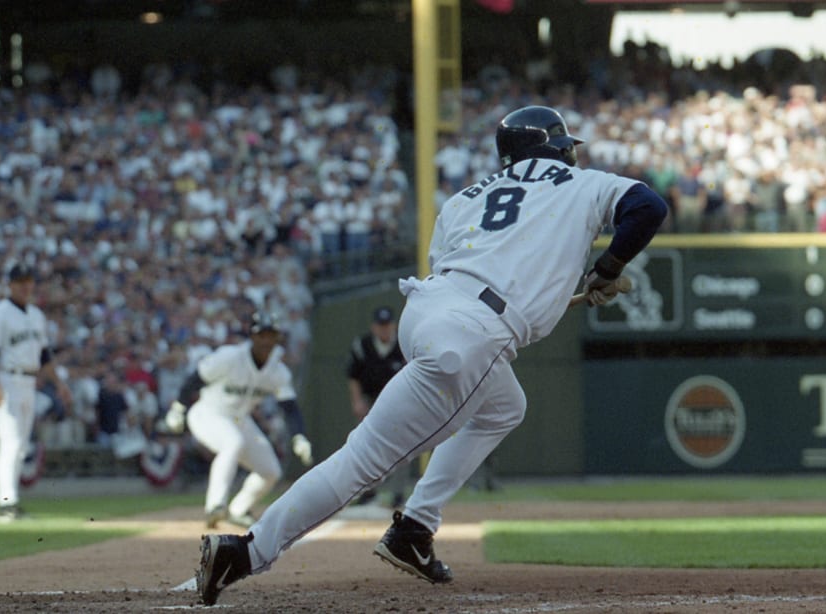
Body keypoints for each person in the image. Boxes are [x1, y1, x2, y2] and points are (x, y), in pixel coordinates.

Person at [194, 105, 667, 606]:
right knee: (361, 462)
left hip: (428, 312)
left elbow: (473, 262)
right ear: (554, 147)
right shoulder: (583, 183)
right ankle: (244, 552)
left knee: (506, 407)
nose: (571, 154)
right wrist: (609, 266)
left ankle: (415, 528)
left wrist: (589, 275)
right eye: (566, 146)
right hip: (476, 333)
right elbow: (649, 208)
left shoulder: (466, 197)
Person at [163, 312, 314, 529]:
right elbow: (196, 378)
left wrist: (299, 436)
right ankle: (215, 506)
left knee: (270, 471)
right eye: (261, 334)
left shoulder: (277, 371)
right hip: (208, 412)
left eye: (270, 335)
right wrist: (178, 408)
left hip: (239, 419)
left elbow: (290, 408)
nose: (266, 340)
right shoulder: (230, 357)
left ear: (277, 338)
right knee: (232, 443)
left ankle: (238, 509)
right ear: (252, 337)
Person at [0, 263, 72, 523]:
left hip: (28, 383)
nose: (25, 285)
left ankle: (11, 502)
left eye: (29, 280)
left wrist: (60, 383)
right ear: (10, 285)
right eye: (20, 281)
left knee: (20, 447)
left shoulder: (36, 315)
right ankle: (6, 505)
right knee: (11, 443)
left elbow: (44, 356)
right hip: (5, 379)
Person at [346, 306, 410, 508]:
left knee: (401, 447)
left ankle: (398, 493)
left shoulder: (403, 344)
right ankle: (368, 492)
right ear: (374, 327)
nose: (384, 329)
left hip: (398, 402)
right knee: (365, 447)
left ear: (394, 325)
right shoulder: (363, 345)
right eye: (381, 325)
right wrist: (357, 401)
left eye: (387, 325)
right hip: (370, 400)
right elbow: (353, 376)